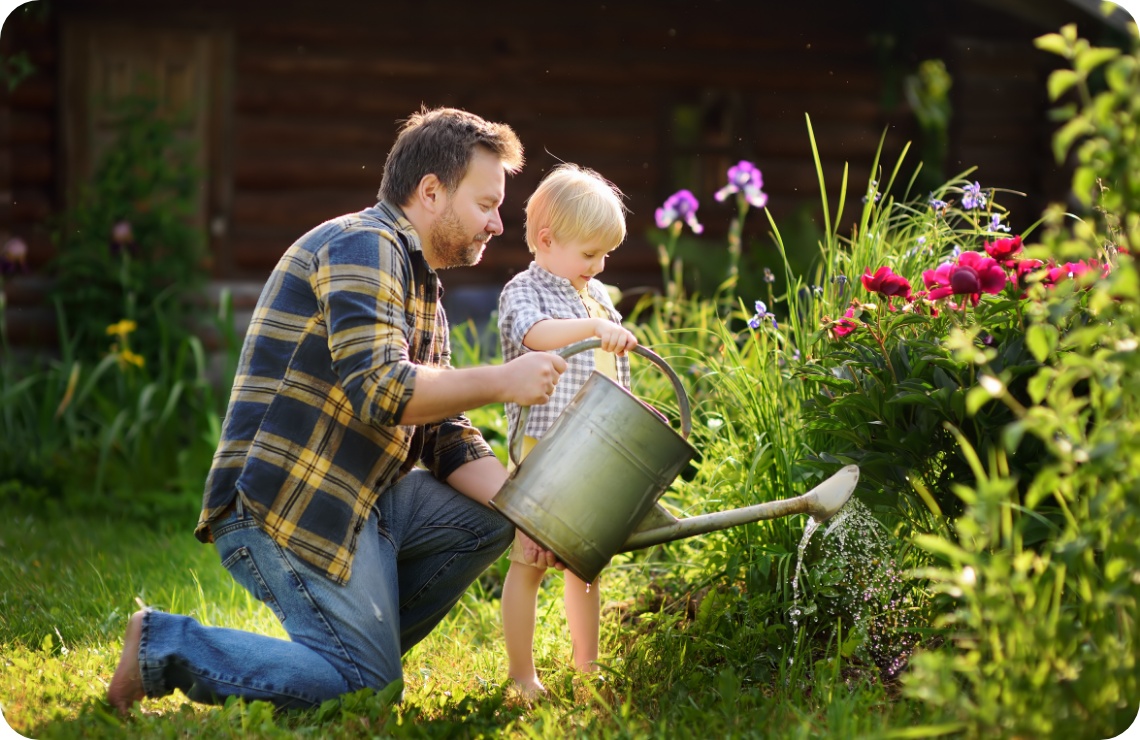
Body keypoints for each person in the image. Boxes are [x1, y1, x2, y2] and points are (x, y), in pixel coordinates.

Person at [107, 107, 569, 714]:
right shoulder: (362, 244)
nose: (498, 223)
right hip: (289, 502)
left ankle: (342, 654)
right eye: (486, 204)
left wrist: (534, 514)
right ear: (431, 192)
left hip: (362, 500)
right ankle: (165, 645)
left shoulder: (422, 286)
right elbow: (382, 389)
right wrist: (504, 382)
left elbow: (444, 437)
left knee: (492, 517)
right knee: (368, 693)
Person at [496, 163, 638, 697]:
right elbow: (535, 337)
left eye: (605, 256)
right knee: (529, 564)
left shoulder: (596, 296)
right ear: (548, 240)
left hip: (594, 453)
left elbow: (609, 371)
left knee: (586, 566)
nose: (598, 266)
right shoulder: (522, 291)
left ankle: (587, 666)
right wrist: (596, 328)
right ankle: (522, 675)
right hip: (544, 453)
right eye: (589, 254)